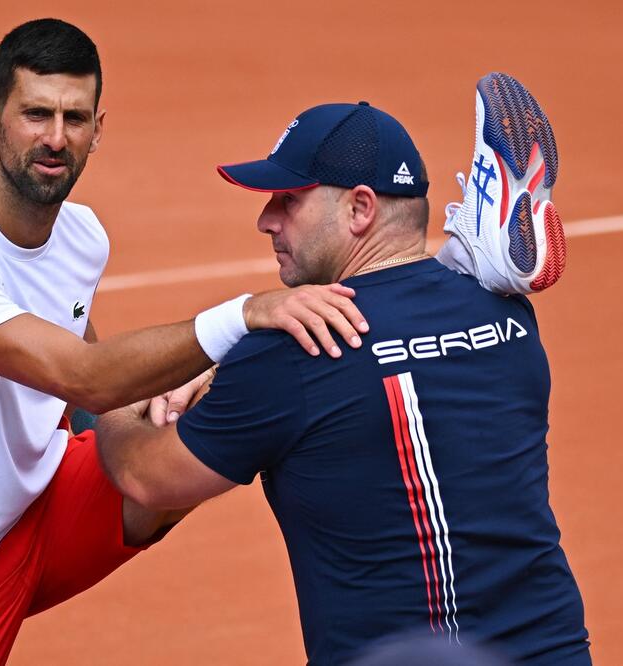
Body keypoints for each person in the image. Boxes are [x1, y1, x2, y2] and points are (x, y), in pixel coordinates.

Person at [0, 19, 369, 664]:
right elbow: (81, 376)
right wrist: (244, 313)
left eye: (75, 118)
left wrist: (154, 401)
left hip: (43, 506)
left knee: (236, 398)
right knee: (242, 347)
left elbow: (86, 364)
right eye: (35, 114)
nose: (56, 138)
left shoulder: (82, 235)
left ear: (99, 128)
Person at [96, 94, 590, 665]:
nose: (266, 220)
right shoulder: (506, 317)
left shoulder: (296, 348)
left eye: (289, 200)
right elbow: (395, 364)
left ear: (359, 209)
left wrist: (114, 399)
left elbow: (146, 477)